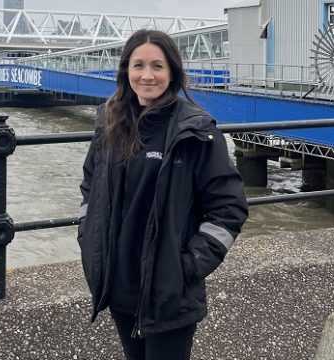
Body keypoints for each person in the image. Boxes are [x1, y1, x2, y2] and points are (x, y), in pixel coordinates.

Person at [76, 29, 248, 360]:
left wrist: (187, 267)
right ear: (126, 70)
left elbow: (229, 208)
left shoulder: (196, 131)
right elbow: (89, 184)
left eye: (158, 66)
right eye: (138, 65)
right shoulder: (109, 122)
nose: (147, 75)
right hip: (119, 285)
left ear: (172, 72)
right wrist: (88, 237)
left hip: (168, 292)